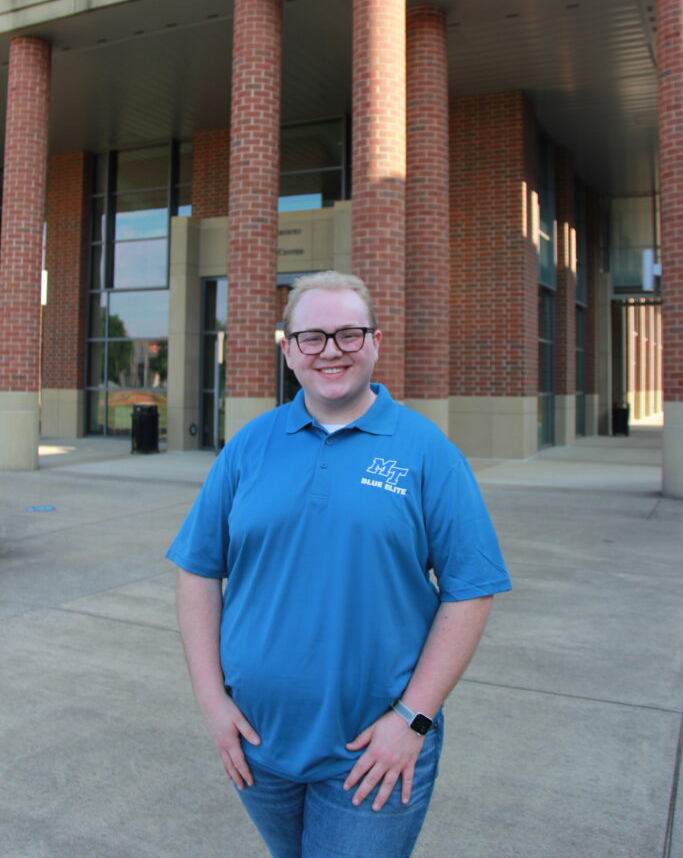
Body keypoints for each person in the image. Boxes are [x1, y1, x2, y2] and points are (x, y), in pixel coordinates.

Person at [167, 270, 511, 858]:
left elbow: (471, 590)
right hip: (258, 746)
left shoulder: (427, 452)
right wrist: (211, 701)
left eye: (349, 334)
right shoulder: (251, 445)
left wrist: (414, 722)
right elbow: (198, 569)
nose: (332, 351)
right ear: (288, 350)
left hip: (376, 752)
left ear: (376, 342)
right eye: (313, 337)